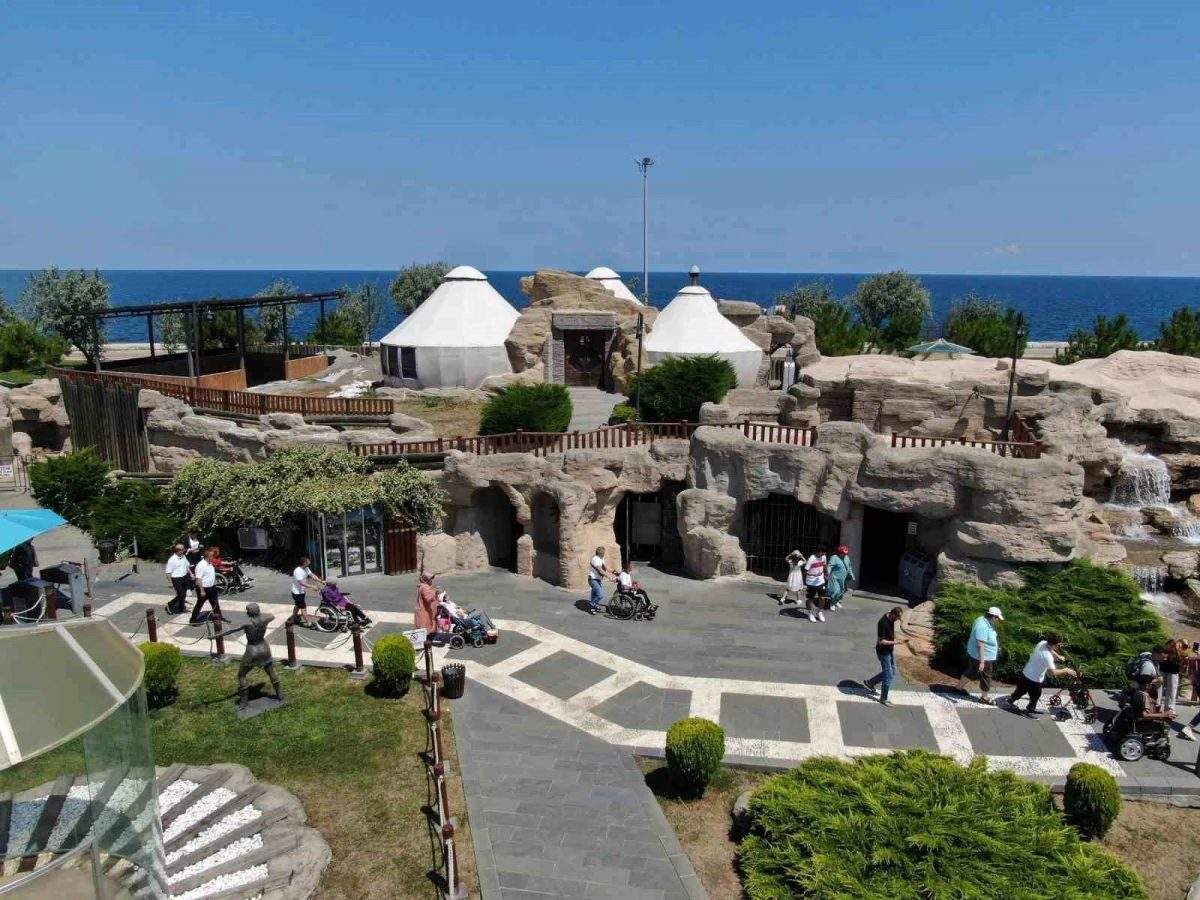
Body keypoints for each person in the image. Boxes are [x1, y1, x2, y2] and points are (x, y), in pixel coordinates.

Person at [1000, 633, 1076, 717]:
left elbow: (1050, 649)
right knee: (1035, 694)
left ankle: (1012, 701)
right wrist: (1066, 670)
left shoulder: (1042, 643)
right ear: (1055, 645)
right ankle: (1029, 710)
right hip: (1034, 678)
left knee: (1022, 690)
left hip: (1027, 672)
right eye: (1059, 645)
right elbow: (1052, 673)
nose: (1059, 646)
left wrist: (1057, 655)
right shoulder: (1047, 657)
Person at [956, 605, 1003, 704]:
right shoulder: (983, 626)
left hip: (975, 655)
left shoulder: (982, 619)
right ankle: (984, 697)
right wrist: (982, 662)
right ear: (993, 617)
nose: (998, 620)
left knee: (971, 671)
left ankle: (958, 687)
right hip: (984, 657)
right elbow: (981, 645)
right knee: (986, 676)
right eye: (997, 618)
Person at [864, 606, 903, 706]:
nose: (897, 620)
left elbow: (890, 611)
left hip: (889, 650)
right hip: (883, 652)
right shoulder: (883, 623)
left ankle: (871, 683)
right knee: (888, 675)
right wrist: (896, 642)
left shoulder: (891, 616)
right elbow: (881, 641)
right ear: (893, 615)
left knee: (891, 672)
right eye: (897, 618)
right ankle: (883, 698)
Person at [290, 555, 324, 628]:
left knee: (297, 605)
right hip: (297, 593)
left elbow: (312, 575)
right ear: (304, 563)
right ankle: (309, 623)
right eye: (308, 561)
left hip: (302, 591)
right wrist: (312, 586)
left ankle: (293, 619)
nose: (309, 562)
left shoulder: (306, 568)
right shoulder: (297, 571)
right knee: (303, 607)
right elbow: (301, 583)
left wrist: (321, 581)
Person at [190, 547, 221, 625]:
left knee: (215, 603)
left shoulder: (210, 564)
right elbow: (198, 579)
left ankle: (218, 617)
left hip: (212, 587)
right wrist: (202, 590)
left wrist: (214, 585)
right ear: (208, 557)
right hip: (204, 588)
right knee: (199, 604)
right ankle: (193, 619)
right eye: (212, 556)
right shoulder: (201, 565)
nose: (213, 558)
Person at [164, 543, 192, 616]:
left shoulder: (183, 556)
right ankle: (169, 604)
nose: (184, 550)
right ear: (178, 550)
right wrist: (170, 582)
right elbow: (168, 572)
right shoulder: (172, 560)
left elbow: (187, 566)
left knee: (184, 594)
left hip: (184, 577)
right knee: (180, 594)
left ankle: (181, 608)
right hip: (176, 579)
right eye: (183, 549)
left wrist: (191, 574)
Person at [825, 545, 855, 611]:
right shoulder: (834, 557)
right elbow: (829, 566)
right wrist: (827, 573)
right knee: (836, 591)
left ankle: (836, 601)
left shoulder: (847, 557)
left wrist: (851, 575)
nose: (844, 555)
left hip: (843, 578)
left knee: (841, 591)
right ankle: (832, 604)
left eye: (846, 554)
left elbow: (849, 567)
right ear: (839, 552)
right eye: (843, 553)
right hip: (834, 578)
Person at [1160, 640, 1184, 714]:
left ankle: (1169, 708)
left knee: (1171, 691)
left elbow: (1180, 663)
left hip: (1173, 672)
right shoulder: (1166, 652)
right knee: (1161, 689)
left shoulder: (1179, 653)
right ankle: (1159, 706)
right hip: (1165, 671)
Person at [803, 550, 827, 623]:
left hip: (821, 581)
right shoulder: (811, 559)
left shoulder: (824, 557)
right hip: (811, 582)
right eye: (822, 552)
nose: (823, 554)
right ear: (819, 551)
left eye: (824, 553)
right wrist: (812, 575)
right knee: (810, 599)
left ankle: (819, 612)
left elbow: (824, 565)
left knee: (822, 598)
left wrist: (826, 573)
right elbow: (805, 571)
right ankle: (810, 613)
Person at [587, 546, 611, 615]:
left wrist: (614, 572)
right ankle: (592, 604)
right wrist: (609, 577)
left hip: (598, 579)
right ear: (600, 553)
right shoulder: (595, 559)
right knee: (600, 595)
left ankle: (593, 606)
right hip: (593, 579)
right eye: (603, 553)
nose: (604, 554)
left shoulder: (601, 558)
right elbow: (600, 570)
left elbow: (605, 568)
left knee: (594, 594)